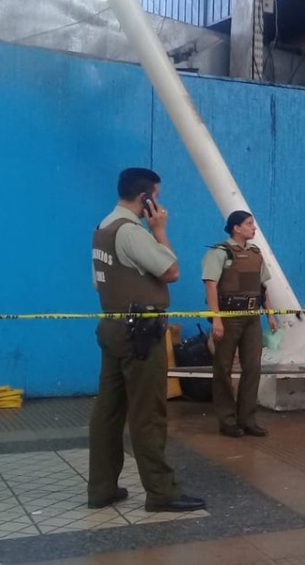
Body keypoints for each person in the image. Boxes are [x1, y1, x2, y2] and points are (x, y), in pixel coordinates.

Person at [89, 167, 205, 513]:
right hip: (140, 332)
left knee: (109, 411)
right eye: (157, 196)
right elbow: (171, 271)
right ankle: (161, 492)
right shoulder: (132, 232)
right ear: (146, 198)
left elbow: (99, 283)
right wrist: (160, 230)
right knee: (148, 413)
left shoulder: (103, 229)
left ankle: (102, 487)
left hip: (111, 325)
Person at [201, 211, 277, 438]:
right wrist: (217, 318)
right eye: (249, 224)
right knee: (223, 367)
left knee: (253, 366)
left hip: (253, 316)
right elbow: (210, 285)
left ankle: (248, 418)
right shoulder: (220, 252)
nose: (254, 228)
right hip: (229, 316)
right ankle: (227, 420)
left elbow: (263, 287)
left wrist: (270, 315)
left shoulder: (256, 253)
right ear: (236, 228)